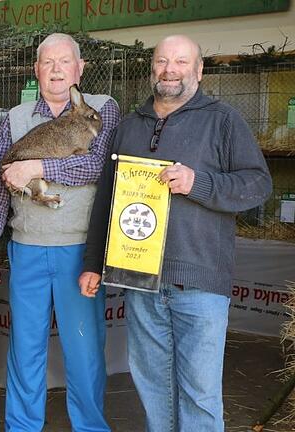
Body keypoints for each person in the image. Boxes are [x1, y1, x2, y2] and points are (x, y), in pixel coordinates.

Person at [80, 34, 272, 432]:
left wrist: (197, 183)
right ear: (153, 67)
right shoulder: (131, 125)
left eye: (181, 62)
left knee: (199, 394)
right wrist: (94, 262)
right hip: (140, 280)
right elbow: (108, 199)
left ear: (199, 71)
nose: (170, 70)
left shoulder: (222, 120)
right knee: (153, 390)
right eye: (163, 61)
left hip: (200, 283)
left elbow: (258, 184)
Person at [0, 33, 120, 431]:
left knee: (83, 348)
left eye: (65, 62)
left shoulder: (102, 109)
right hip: (26, 248)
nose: (57, 69)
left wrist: (40, 168)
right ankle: (22, 426)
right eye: (48, 62)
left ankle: (90, 426)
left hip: (80, 250)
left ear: (80, 70)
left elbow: (98, 165)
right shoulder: (16, 117)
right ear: (37, 71)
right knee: (24, 349)